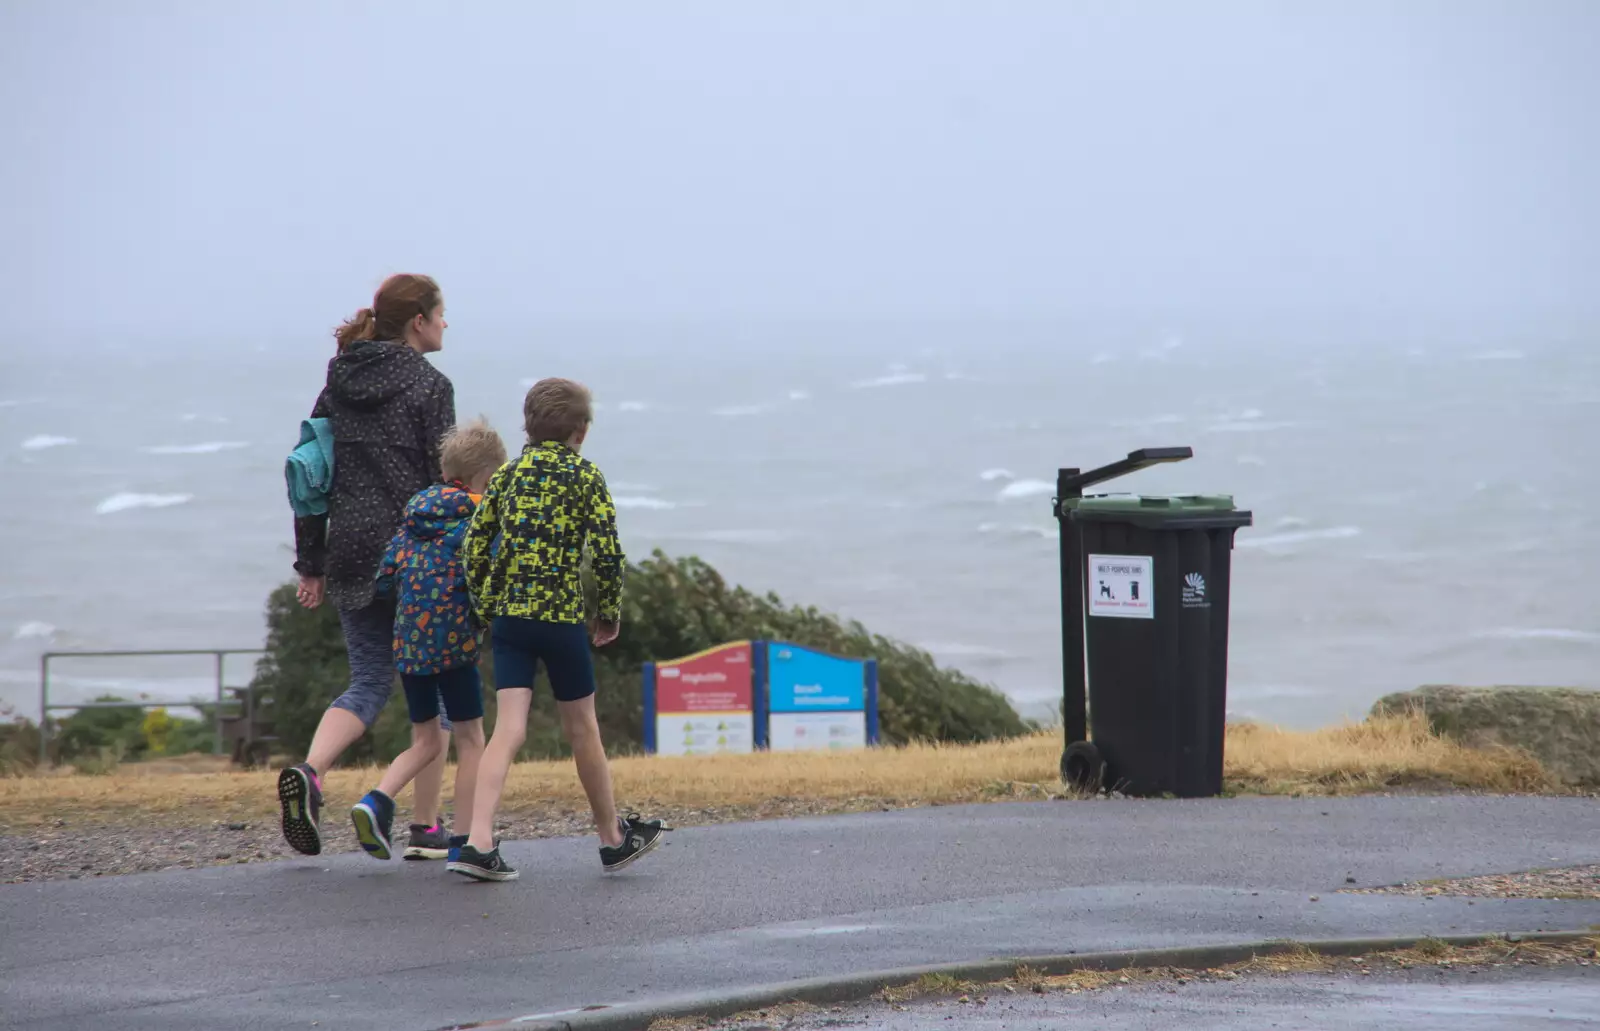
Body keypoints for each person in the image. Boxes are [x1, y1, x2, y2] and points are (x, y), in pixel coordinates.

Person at [448, 378, 666, 882]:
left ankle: (478, 841)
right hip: (562, 620)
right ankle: (612, 838)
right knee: (582, 727)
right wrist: (607, 611)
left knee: (509, 729)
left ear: (527, 425)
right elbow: (608, 553)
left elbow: (475, 547)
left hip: (511, 619)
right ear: (581, 431)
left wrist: (485, 605)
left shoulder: (506, 477)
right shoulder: (586, 477)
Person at [277, 273, 458, 859]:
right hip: (415, 554)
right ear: (418, 322)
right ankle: (425, 828)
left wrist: (312, 562)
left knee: (369, 682)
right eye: (440, 313)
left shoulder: (339, 379)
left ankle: (311, 770)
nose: (445, 323)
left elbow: (310, 472)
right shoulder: (432, 387)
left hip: (351, 550)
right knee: (433, 694)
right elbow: (445, 482)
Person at [349, 418, 508, 861]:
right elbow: (491, 574)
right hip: (455, 645)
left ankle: (376, 800)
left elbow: (383, 578)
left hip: (409, 645)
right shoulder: (479, 518)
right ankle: (463, 839)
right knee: (471, 737)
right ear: (486, 479)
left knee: (426, 741)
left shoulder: (414, 514)